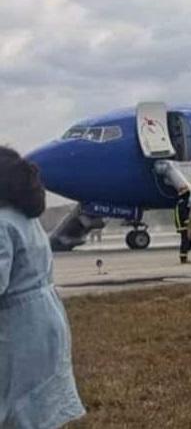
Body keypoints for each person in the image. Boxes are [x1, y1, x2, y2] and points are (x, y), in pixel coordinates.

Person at [0, 147, 86, 428]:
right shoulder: (24, 217)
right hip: (44, 317)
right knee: (38, 404)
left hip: (18, 327)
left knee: (16, 406)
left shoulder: (1, 223)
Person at [174, 186, 191, 264]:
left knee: (189, 240)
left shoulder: (181, 202)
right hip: (184, 225)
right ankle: (183, 257)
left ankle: (184, 253)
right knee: (186, 241)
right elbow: (184, 215)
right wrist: (188, 224)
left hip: (183, 225)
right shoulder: (183, 203)